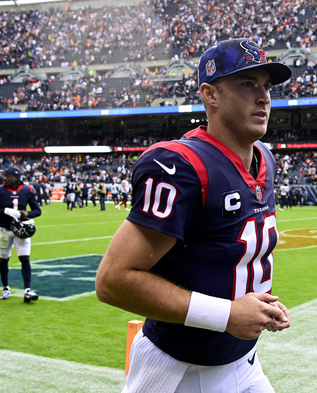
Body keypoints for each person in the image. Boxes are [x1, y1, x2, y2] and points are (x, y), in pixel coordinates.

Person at [95, 38, 292, 392]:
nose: (263, 97)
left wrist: (259, 305)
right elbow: (113, 280)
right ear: (210, 95)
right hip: (179, 370)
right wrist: (228, 315)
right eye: (248, 84)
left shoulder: (264, 156)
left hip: (244, 359)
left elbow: (227, 256)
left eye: (266, 86)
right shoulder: (181, 165)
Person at [0, 168, 41, 302]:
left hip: (21, 229)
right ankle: (6, 288)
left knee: (25, 258)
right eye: (4, 176)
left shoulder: (27, 189)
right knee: (4, 259)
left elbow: (37, 210)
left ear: (16, 178)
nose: (4, 178)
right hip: (4, 229)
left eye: (8, 176)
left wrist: (27, 214)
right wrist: (4, 211)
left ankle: (27, 290)